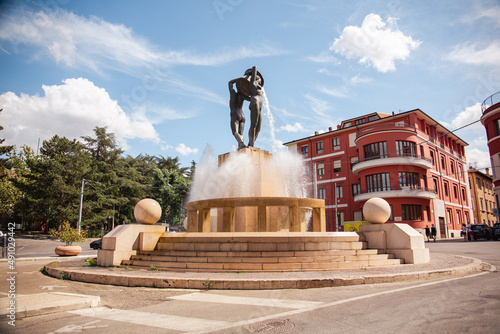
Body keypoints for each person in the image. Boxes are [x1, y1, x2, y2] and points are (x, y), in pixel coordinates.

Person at [228, 78, 250, 149]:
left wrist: (241, 79)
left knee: (235, 132)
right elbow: (251, 99)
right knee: (241, 134)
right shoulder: (242, 95)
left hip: (235, 114)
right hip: (242, 115)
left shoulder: (233, 94)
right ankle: (240, 147)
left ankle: (241, 143)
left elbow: (230, 83)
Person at [246, 66, 264, 148]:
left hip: (260, 105)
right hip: (255, 102)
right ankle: (251, 144)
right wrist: (252, 72)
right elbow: (254, 68)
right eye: (258, 77)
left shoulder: (260, 88)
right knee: (254, 124)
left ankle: (251, 143)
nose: (260, 79)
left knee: (259, 127)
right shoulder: (253, 84)